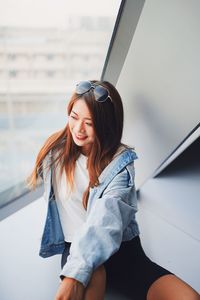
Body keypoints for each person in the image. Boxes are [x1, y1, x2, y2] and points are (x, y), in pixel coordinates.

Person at [28, 80, 200, 300]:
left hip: (125, 253)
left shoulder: (120, 163)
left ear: (106, 124)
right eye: (74, 117)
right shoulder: (54, 154)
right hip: (77, 252)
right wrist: (76, 272)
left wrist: (74, 276)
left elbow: (107, 214)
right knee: (92, 271)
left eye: (89, 122)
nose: (79, 128)